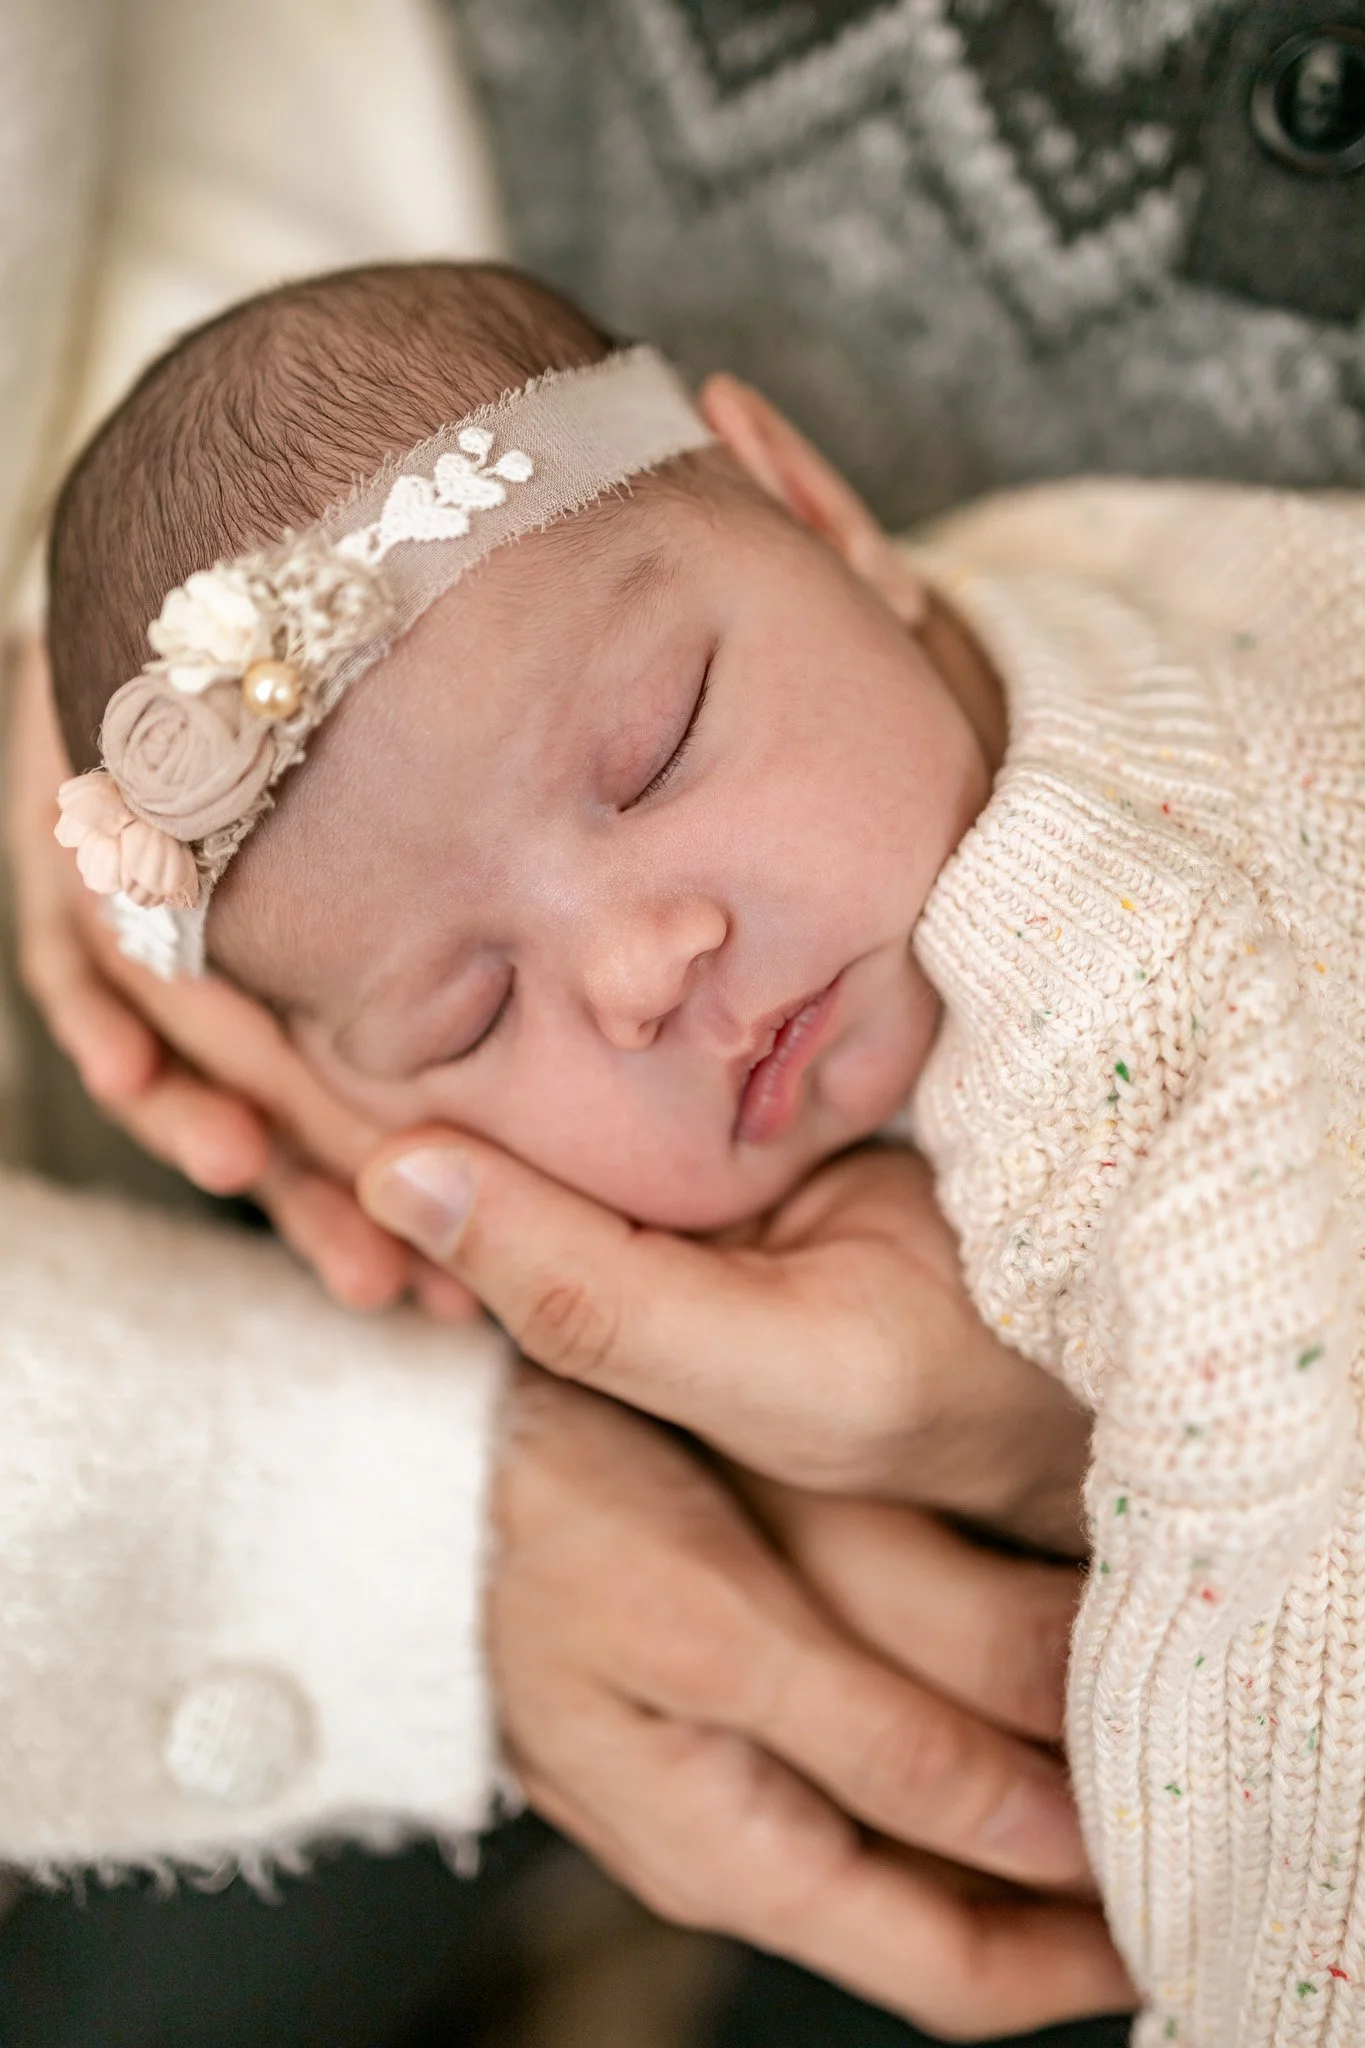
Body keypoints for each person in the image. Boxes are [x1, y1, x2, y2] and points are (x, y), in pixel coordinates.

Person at [46, 252, 1365, 2043]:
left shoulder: (1101, 1033)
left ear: (814, 500)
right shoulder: (1048, 587)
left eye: (656, 751)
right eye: (466, 1017)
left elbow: (1288, 1679)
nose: (636, 971)